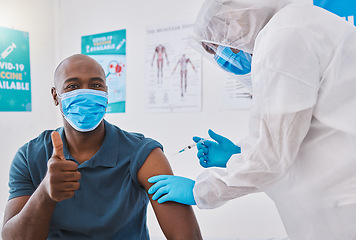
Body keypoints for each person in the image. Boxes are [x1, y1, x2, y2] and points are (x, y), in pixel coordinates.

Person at [148, 0, 356, 239]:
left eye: (220, 47)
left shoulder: (283, 37)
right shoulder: (304, 23)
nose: (223, 59)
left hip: (343, 207)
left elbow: (271, 157)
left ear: (236, 23)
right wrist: (240, 153)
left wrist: (200, 190)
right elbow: (293, 130)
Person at [1, 54, 203, 240]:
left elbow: (186, 236)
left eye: (96, 85)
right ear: (55, 96)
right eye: (72, 86)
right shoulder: (30, 156)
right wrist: (45, 194)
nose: (86, 93)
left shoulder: (143, 154)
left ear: (106, 93)